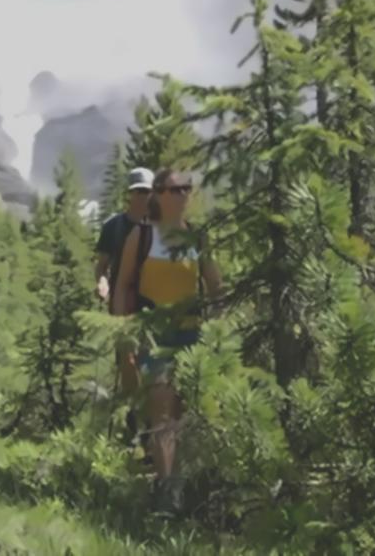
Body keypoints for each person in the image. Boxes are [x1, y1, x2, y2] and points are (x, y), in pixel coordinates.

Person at [113, 168, 218, 512]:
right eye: (175, 189)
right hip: (154, 333)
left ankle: (176, 481)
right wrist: (123, 333)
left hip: (191, 333)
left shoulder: (197, 238)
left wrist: (221, 326)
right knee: (161, 407)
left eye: (188, 188)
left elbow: (215, 285)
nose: (183, 195)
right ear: (158, 194)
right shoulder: (141, 237)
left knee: (180, 411)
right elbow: (123, 285)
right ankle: (167, 491)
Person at [96, 168, 153, 427]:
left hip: (153, 303)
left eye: (148, 191)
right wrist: (102, 283)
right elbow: (102, 266)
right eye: (139, 191)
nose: (143, 196)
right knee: (127, 361)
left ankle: (148, 420)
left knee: (150, 361)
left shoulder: (160, 228)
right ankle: (138, 415)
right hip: (121, 302)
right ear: (130, 194)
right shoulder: (113, 227)